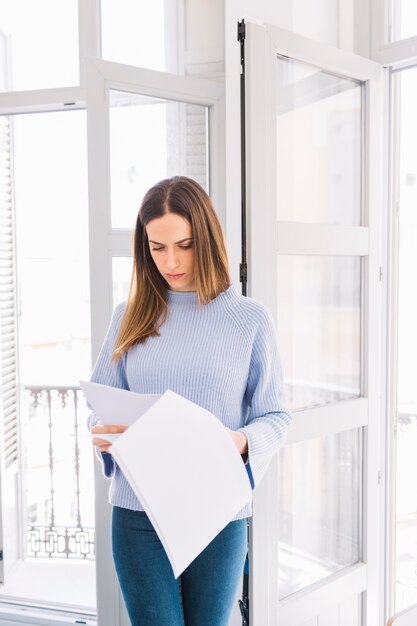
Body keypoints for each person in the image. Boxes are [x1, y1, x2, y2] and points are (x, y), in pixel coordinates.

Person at [88, 176, 292, 626]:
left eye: (184, 244)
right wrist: (103, 433)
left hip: (217, 512)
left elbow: (277, 416)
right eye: (156, 247)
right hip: (138, 514)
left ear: (208, 238)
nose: (171, 261)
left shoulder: (249, 319)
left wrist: (237, 440)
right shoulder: (129, 316)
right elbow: (99, 406)